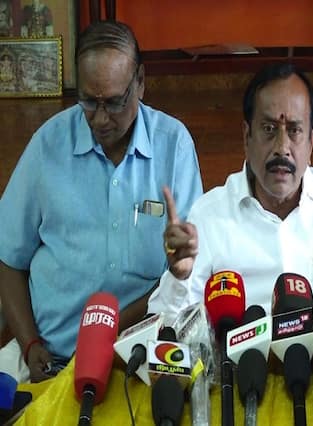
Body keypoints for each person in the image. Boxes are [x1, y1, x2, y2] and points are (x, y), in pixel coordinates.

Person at [0, 20, 203, 383]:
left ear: (140, 82)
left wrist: (106, 333)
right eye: (88, 102)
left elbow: (186, 274)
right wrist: (29, 344)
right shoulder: (49, 144)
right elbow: (8, 257)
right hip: (47, 357)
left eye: (114, 102)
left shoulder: (173, 146)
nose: (100, 118)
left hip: (138, 356)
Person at [148, 63, 313, 317]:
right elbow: (165, 323)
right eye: (269, 129)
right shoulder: (210, 215)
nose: (282, 147)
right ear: (247, 137)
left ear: (311, 141)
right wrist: (180, 278)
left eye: (294, 130)